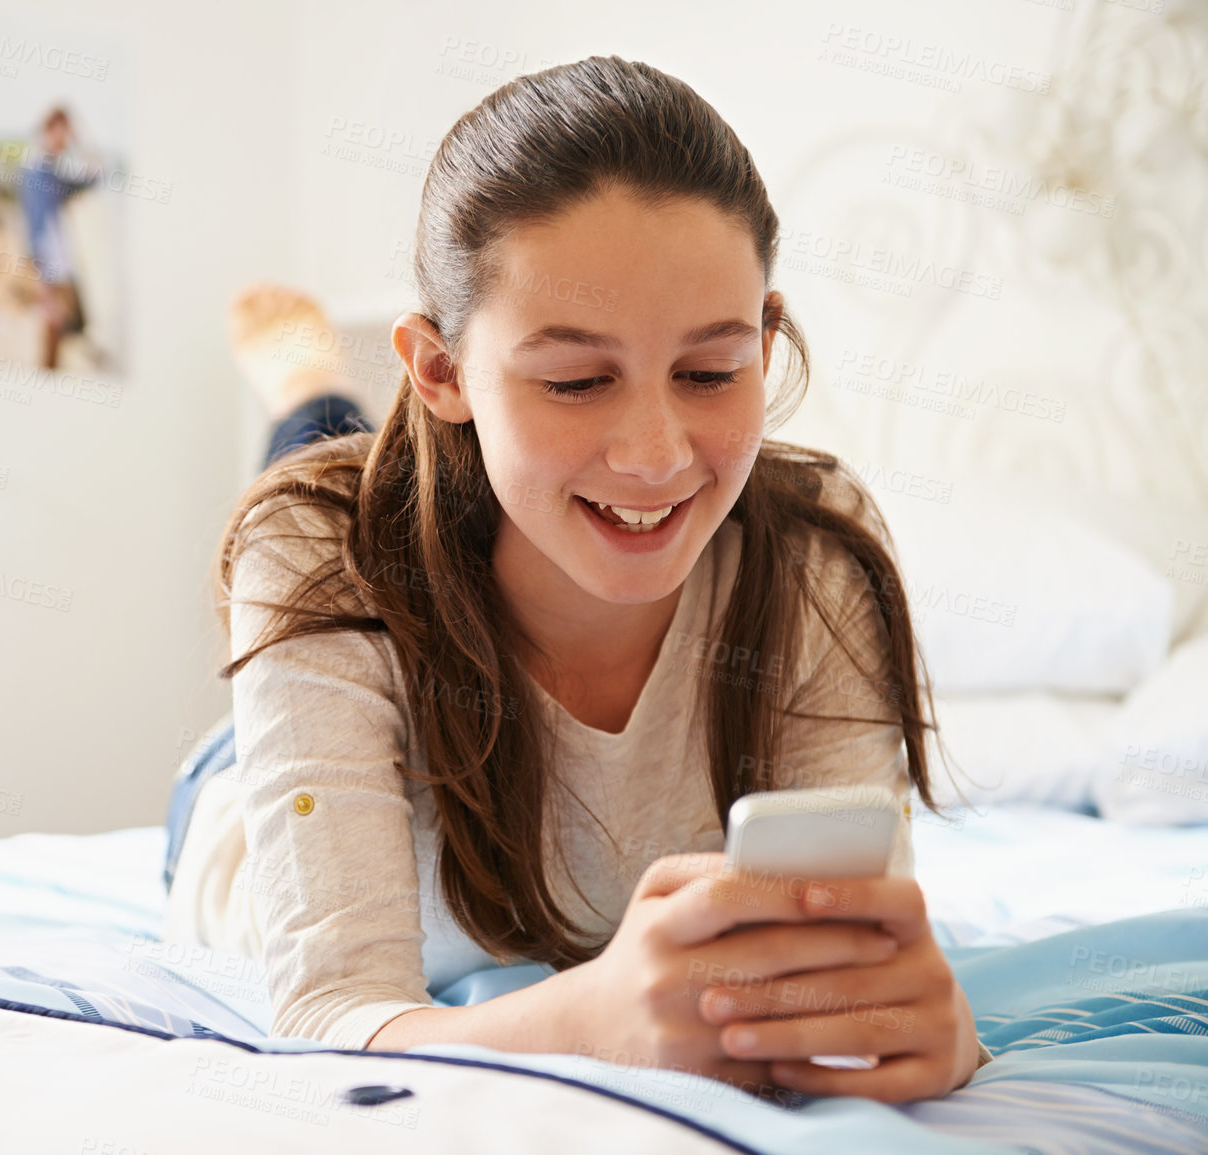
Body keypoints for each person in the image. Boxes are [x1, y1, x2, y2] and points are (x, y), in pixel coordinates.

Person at [163, 56, 993, 1105]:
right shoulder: (314, 556)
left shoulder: (814, 553)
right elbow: (331, 1018)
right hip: (243, 800)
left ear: (767, 340)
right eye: (576, 381)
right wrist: (591, 1018)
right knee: (327, 488)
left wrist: (936, 1038)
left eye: (709, 372)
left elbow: (843, 974)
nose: (654, 455)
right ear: (442, 370)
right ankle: (309, 383)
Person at [18, 107, 103, 370]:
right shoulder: (37, 171)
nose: (64, 141)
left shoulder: (51, 173)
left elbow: (93, 178)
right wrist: (41, 276)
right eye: (61, 134)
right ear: (47, 132)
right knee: (56, 332)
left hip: (60, 266)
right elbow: (34, 227)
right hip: (49, 267)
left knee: (62, 331)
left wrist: (80, 143)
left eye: (67, 135)